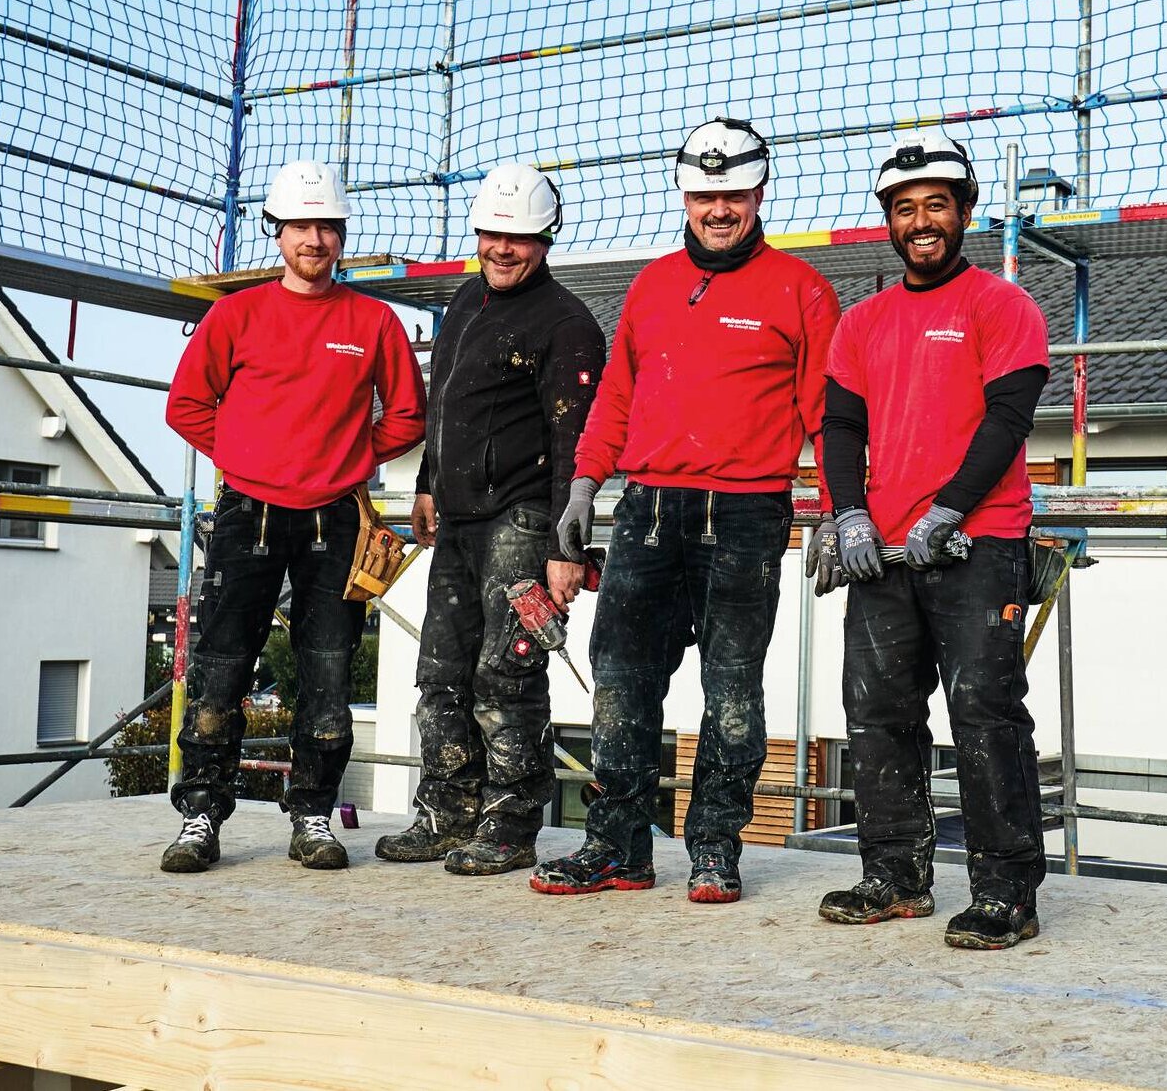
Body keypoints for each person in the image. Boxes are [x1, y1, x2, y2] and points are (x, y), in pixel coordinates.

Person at [532, 118, 840, 903]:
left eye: (732, 194)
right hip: (648, 512)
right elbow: (616, 397)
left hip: (745, 516)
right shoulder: (653, 283)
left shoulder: (801, 290)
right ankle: (618, 848)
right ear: (683, 194)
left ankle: (712, 847)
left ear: (759, 193)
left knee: (732, 694)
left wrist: (840, 512)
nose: (718, 209)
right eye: (704, 194)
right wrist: (582, 486)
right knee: (621, 684)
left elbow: (825, 416)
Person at [812, 130, 1050, 948]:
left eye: (936, 207)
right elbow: (839, 427)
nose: (920, 222)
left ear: (963, 213)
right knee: (877, 711)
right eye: (905, 208)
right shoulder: (862, 321)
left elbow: (1007, 418)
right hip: (881, 550)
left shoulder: (1000, 305)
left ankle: (1006, 892)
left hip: (975, 543)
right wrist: (847, 515)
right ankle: (894, 875)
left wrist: (947, 511)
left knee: (984, 713)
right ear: (888, 220)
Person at [160, 160, 426, 873]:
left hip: (334, 518)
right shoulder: (235, 315)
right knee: (220, 669)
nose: (314, 238)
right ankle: (201, 817)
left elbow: (405, 417)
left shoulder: (372, 321)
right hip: (248, 511)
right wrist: (253, 459)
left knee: (330, 674)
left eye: (327, 227)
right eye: (301, 226)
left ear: (341, 236)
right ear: (277, 233)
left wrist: (341, 458)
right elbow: (185, 405)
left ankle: (312, 814)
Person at [374, 165, 606, 875]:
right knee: (440, 672)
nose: (503, 249)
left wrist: (566, 546)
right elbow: (445, 406)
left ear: (545, 239)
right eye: (492, 235)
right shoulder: (466, 301)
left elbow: (576, 445)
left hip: (523, 517)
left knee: (505, 674)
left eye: (520, 238)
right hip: (458, 518)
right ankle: (446, 816)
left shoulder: (565, 324)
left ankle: (507, 827)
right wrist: (426, 485)